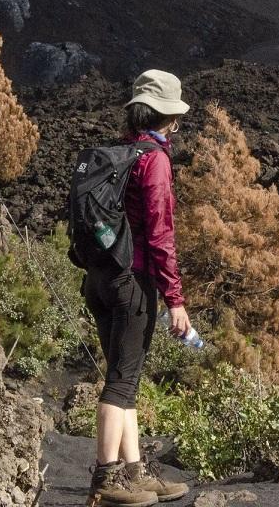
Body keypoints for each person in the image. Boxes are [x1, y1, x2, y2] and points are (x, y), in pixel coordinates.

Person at [86, 70, 192, 507]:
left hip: (99, 278)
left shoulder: (120, 153)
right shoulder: (155, 160)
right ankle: (107, 479)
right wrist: (175, 300)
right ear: (169, 118)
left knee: (124, 380)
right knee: (120, 383)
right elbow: (160, 233)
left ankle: (135, 473)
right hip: (133, 281)